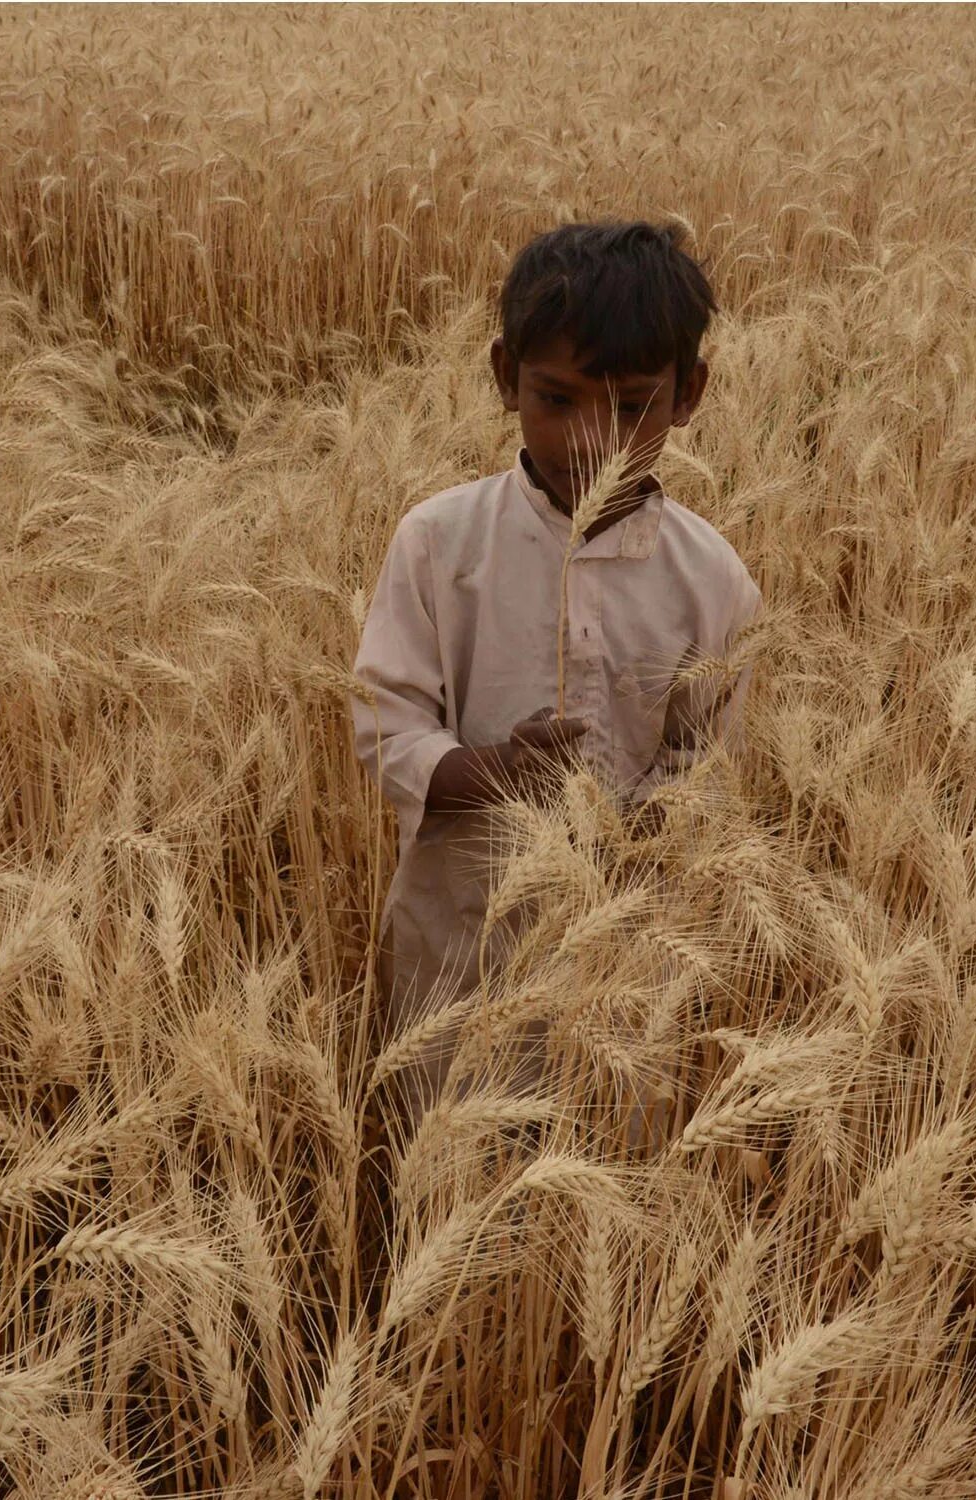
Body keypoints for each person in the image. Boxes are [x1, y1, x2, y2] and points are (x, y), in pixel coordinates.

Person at [349, 219, 764, 1131]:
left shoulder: (714, 582)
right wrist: (493, 773)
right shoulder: (437, 546)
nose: (589, 440)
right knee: (451, 1174)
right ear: (505, 378)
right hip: (460, 951)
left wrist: (636, 830)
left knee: (607, 1172)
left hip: (629, 968)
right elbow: (387, 728)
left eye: (630, 408)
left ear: (688, 394)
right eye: (557, 398)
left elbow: (710, 772)